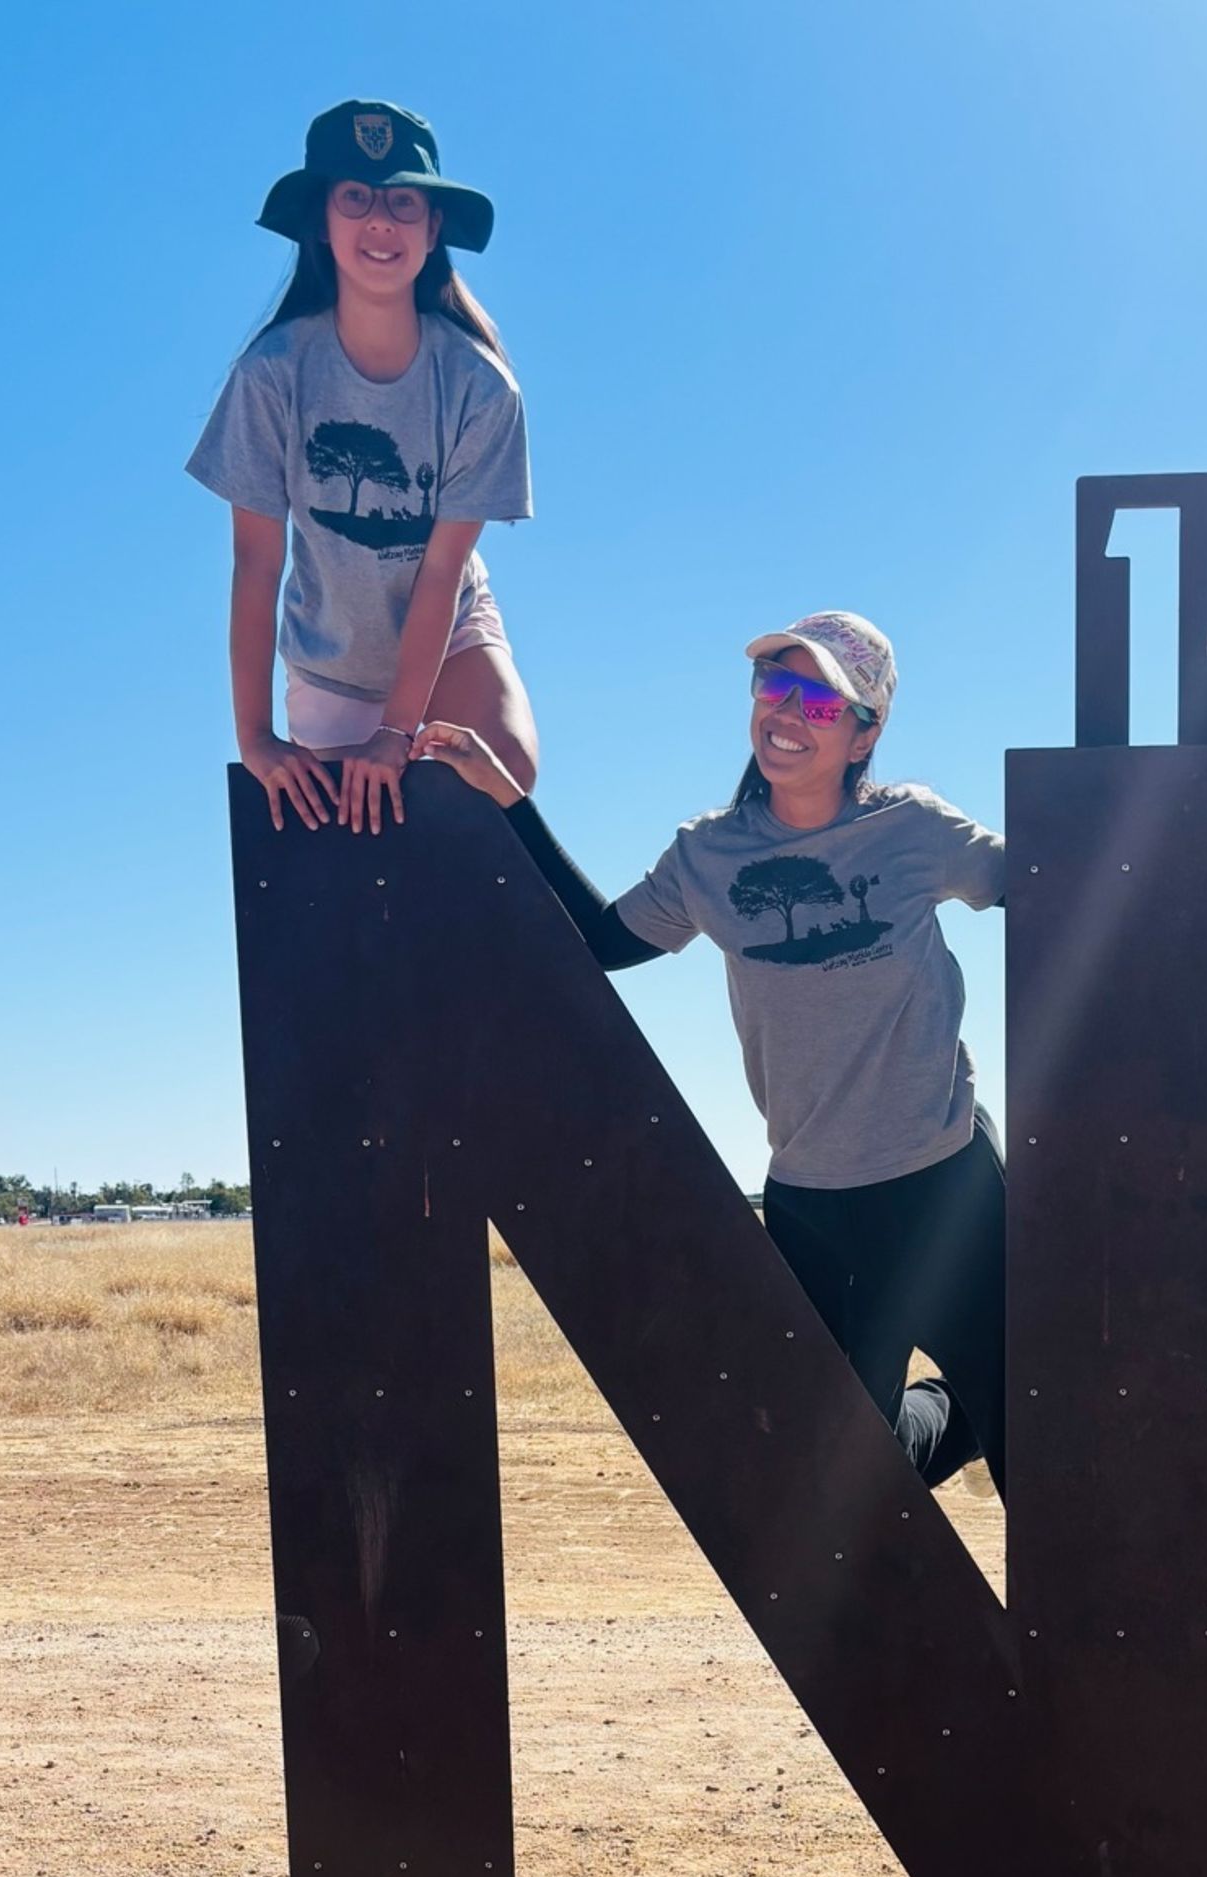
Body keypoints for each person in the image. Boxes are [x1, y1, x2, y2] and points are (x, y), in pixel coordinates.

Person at [420, 612, 1012, 1492]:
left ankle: (995, 1426)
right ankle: (958, 1414)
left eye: (820, 700)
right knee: (851, 1476)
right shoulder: (710, 855)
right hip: (813, 1202)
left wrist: (1202, 796)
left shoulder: (913, 830)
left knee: (1039, 1447)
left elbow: (1050, 880)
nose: (788, 712)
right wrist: (509, 799)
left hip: (944, 1182)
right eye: (776, 685)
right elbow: (601, 941)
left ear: (864, 735)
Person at [188, 99, 538, 837]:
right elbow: (256, 563)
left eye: (403, 201)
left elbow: (441, 571)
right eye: (356, 197)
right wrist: (255, 737)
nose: (381, 220)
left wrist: (397, 732)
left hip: (448, 629)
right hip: (331, 654)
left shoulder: (481, 386)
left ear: (432, 227)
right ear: (322, 220)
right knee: (353, 834)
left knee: (505, 775)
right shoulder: (270, 376)